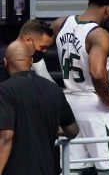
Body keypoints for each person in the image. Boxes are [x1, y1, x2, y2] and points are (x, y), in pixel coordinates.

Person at [51, 0, 109, 175]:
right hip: (95, 106)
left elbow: (38, 47)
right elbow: (97, 72)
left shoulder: (60, 24)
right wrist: (106, 98)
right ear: (108, 9)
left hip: (70, 103)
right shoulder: (99, 34)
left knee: (71, 168)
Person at [0, 42, 79, 175]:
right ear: (31, 61)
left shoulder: (4, 90)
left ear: (5, 62)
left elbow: (5, 137)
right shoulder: (54, 89)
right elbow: (73, 131)